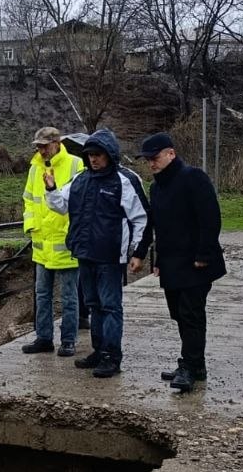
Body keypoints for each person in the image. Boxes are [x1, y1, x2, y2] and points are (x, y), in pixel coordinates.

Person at [44, 129, 148, 378]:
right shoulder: (80, 180)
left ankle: (112, 356)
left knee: (111, 306)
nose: (93, 159)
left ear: (109, 154)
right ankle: (99, 351)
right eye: (90, 154)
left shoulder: (125, 180)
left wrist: (138, 252)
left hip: (111, 256)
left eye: (98, 154)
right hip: (84, 253)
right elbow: (60, 205)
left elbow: (141, 218)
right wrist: (51, 189)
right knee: (93, 305)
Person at [136, 132, 226, 392]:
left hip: (196, 262)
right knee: (178, 314)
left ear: (170, 153)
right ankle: (194, 364)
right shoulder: (156, 186)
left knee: (191, 314)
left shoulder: (192, 177)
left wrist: (203, 254)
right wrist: (157, 259)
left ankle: (190, 365)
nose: (151, 163)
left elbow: (211, 218)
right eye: (148, 159)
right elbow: (159, 226)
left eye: (155, 157)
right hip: (172, 263)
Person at [21, 126, 86, 357]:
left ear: (57, 143)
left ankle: (68, 340)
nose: (40, 150)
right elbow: (28, 199)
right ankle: (44, 338)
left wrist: (73, 231)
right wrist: (30, 225)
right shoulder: (34, 167)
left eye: (44, 146)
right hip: (41, 241)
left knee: (69, 296)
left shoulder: (76, 164)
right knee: (42, 294)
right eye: (38, 146)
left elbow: (81, 201)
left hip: (64, 241)